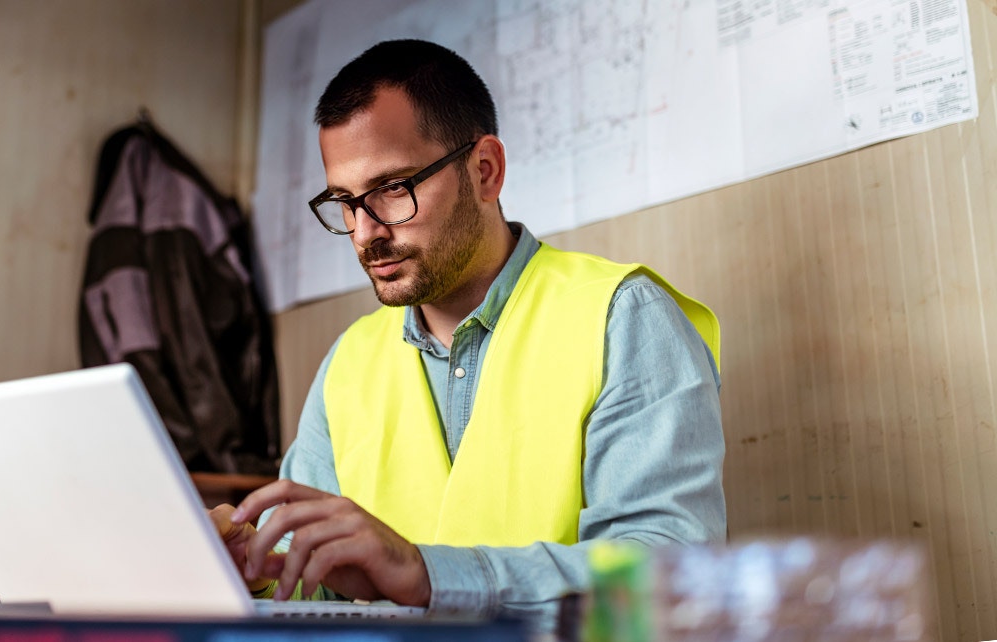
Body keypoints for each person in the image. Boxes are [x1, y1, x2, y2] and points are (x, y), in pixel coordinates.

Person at [211, 39, 724, 626]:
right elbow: (311, 578)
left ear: (485, 171)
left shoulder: (622, 318)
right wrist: (252, 569)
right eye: (346, 202)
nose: (364, 233)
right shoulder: (349, 363)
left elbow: (667, 582)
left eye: (393, 189)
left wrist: (426, 574)